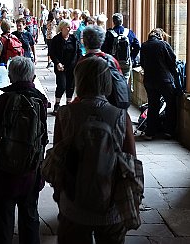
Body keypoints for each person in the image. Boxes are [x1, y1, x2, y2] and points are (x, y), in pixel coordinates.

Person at [53, 56, 136, 244]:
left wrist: (60, 194)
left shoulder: (65, 114)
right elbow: (130, 163)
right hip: (110, 206)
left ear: (79, 80)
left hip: (73, 205)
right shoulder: (121, 116)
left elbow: (57, 159)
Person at [0, 57, 48, 244]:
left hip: (3, 174)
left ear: (10, 77)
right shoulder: (40, 101)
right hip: (31, 173)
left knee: (3, 222)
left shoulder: (3, 101)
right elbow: (43, 140)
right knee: (30, 218)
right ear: (32, 77)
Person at [139, 28, 179, 140]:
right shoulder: (163, 45)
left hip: (149, 80)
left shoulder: (144, 45)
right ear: (161, 35)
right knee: (170, 104)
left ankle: (150, 132)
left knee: (153, 105)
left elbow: (142, 63)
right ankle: (168, 131)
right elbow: (172, 60)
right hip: (164, 80)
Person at [48, 19, 82, 114]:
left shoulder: (73, 39)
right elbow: (52, 53)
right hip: (60, 67)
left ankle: (69, 104)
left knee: (70, 86)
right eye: (67, 27)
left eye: (70, 26)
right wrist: (57, 63)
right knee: (61, 85)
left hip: (72, 66)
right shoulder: (56, 39)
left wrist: (78, 62)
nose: (69, 28)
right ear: (62, 28)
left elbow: (78, 51)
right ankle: (57, 104)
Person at [101, 13, 141, 85]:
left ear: (113, 22)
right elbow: (137, 46)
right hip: (126, 62)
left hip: (113, 62)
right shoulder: (129, 32)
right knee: (125, 82)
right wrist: (131, 57)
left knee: (113, 82)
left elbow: (104, 48)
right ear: (122, 21)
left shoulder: (109, 33)